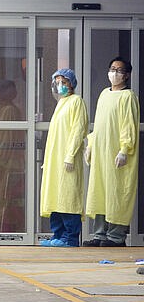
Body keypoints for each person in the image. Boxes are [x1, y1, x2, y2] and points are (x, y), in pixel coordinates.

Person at [83, 57, 139, 247]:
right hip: (101, 151)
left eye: (119, 70)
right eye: (112, 69)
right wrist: (91, 144)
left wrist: (125, 149)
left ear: (127, 75)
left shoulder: (128, 96)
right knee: (100, 191)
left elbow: (128, 125)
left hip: (117, 154)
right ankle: (100, 234)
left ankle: (116, 237)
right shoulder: (104, 94)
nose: (115, 73)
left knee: (117, 192)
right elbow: (98, 124)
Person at [39, 69, 88, 247]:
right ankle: (57, 235)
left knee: (68, 198)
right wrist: (48, 161)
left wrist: (70, 155)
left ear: (72, 84)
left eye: (64, 82)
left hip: (68, 160)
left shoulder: (76, 102)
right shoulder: (61, 103)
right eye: (58, 82)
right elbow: (54, 136)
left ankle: (70, 237)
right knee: (55, 197)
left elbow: (78, 130)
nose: (60, 85)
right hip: (55, 160)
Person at [0, 80, 25, 232]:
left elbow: (5, 141)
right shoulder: (8, 109)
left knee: (3, 202)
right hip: (10, 164)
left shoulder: (9, 111)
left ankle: (5, 232)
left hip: (7, 166)